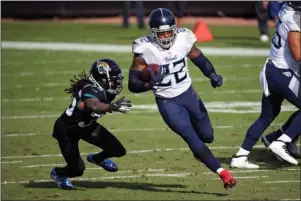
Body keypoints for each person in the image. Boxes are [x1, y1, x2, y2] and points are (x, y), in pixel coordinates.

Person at [128, 8, 236, 189]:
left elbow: (199, 59)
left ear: (175, 29)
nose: (166, 37)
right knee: (189, 134)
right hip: (167, 101)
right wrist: (149, 84)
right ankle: (223, 174)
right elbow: (132, 83)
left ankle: (199, 150)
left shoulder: (183, 38)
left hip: (188, 94)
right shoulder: (144, 49)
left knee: (207, 136)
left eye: (169, 32)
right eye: (161, 34)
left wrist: (212, 74)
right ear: (153, 33)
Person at [231, 1, 301, 168]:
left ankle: (241, 156)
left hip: (273, 70)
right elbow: (297, 54)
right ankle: (282, 141)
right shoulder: (295, 17)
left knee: (267, 115)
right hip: (283, 74)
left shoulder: (287, 10)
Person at [50, 58, 132, 189]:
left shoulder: (104, 91)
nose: (115, 84)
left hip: (87, 126)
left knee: (118, 150)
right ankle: (59, 173)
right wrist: (110, 106)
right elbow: (92, 104)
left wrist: (109, 105)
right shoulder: (92, 90)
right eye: (112, 81)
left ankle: (97, 159)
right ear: (100, 79)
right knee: (77, 170)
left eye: (116, 81)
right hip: (67, 130)